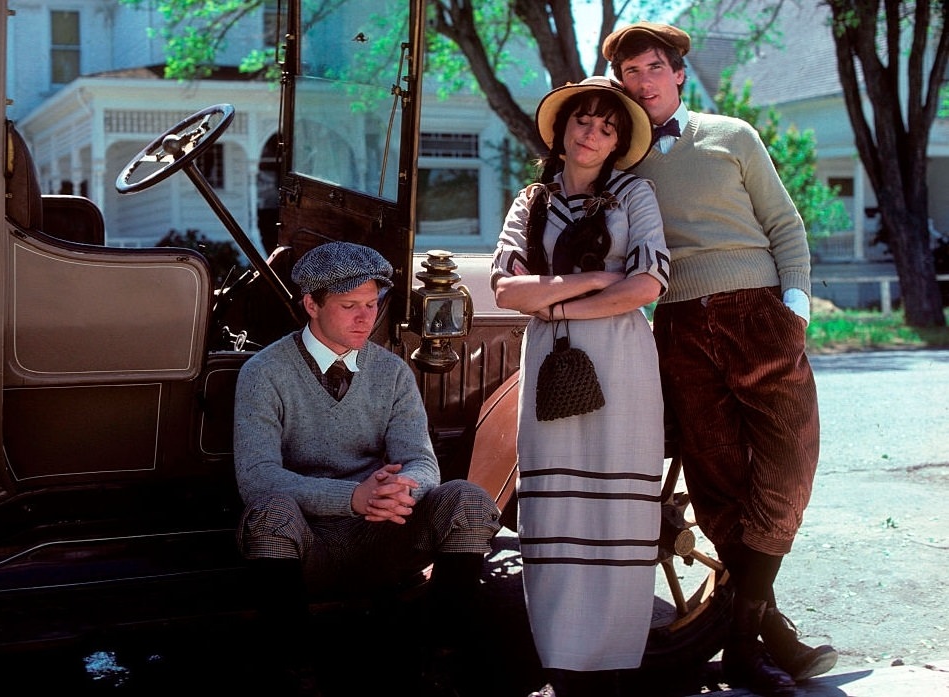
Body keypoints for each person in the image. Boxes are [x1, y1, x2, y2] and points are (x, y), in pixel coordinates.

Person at [603, 21, 839, 697]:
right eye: (629, 75)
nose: (642, 83)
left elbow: (785, 224)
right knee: (715, 482)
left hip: (757, 314)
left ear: (677, 73)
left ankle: (749, 637)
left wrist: (790, 310)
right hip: (678, 327)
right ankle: (761, 639)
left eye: (652, 69)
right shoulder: (621, 160)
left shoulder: (732, 134)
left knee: (787, 469)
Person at [233, 241, 501, 697]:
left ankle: (443, 665)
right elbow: (256, 477)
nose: (365, 318)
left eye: (372, 305)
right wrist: (351, 498)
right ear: (312, 305)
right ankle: (296, 672)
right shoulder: (264, 372)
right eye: (349, 306)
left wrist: (401, 489)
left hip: (386, 531)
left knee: (469, 501)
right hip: (308, 543)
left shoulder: (393, 372)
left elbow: (421, 460)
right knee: (268, 517)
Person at [491, 77, 669, 697]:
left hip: (620, 359)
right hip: (550, 361)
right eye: (583, 121)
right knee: (556, 506)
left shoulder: (634, 196)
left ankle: (616, 663)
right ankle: (561, 664)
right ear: (562, 129)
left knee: (617, 508)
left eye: (608, 126)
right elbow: (506, 289)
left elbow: (647, 284)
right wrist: (592, 279)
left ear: (619, 142)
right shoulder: (530, 201)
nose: (592, 134)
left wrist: (556, 300)